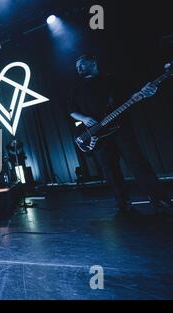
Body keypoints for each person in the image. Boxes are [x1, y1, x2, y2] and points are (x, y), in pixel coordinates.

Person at [69, 54, 173, 217]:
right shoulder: (77, 89)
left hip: (121, 129)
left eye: (81, 65)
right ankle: (122, 203)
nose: (79, 69)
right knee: (110, 169)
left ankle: (160, 200)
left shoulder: (112, 80)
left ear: (93, 63)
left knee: (138, 163)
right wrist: (84, 118)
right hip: (97, 135)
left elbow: (133, 95)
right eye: (77, 67)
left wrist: (145, 93)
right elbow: (72, 111)